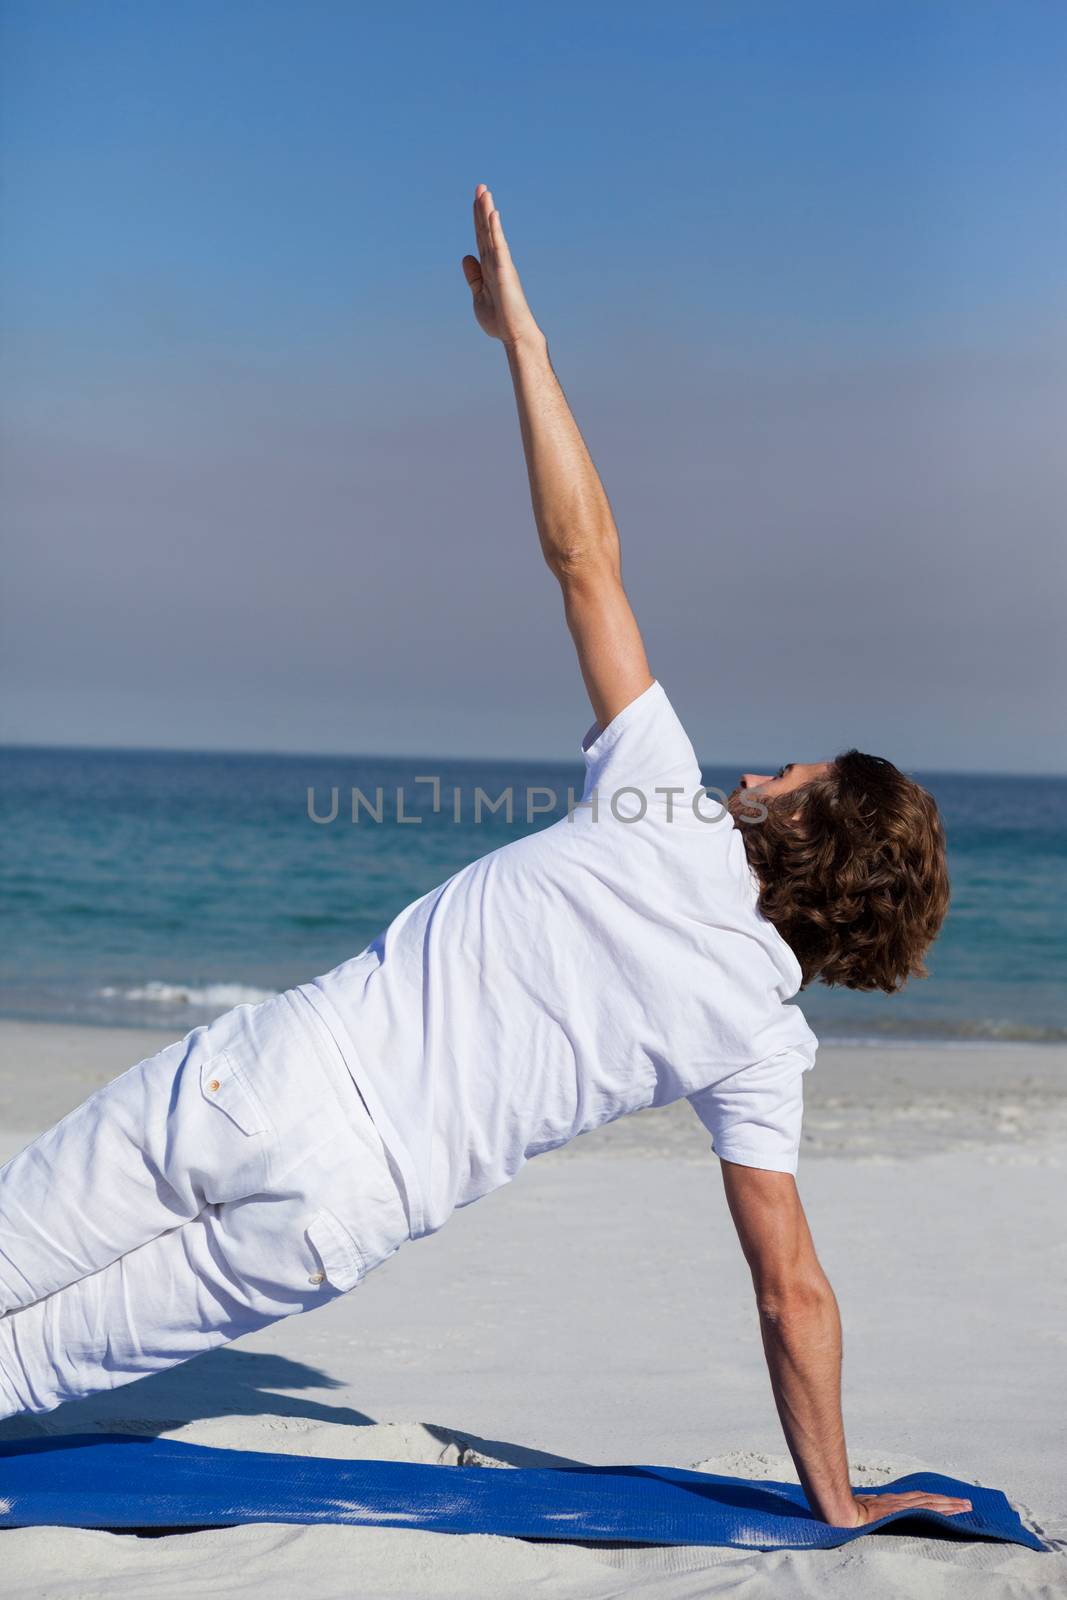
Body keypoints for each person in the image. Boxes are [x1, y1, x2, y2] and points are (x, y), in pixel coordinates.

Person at [0, 184, 966, 1531]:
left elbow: (587, 559)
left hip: (270, 1081)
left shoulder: (659, 806)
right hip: (351, 1213)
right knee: (24, 1365)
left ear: (806, 827)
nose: (756, 774)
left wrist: (526, 348)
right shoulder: (761, 1041)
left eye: (785, 777)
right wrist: (838, 1500)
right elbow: (789, 1282)